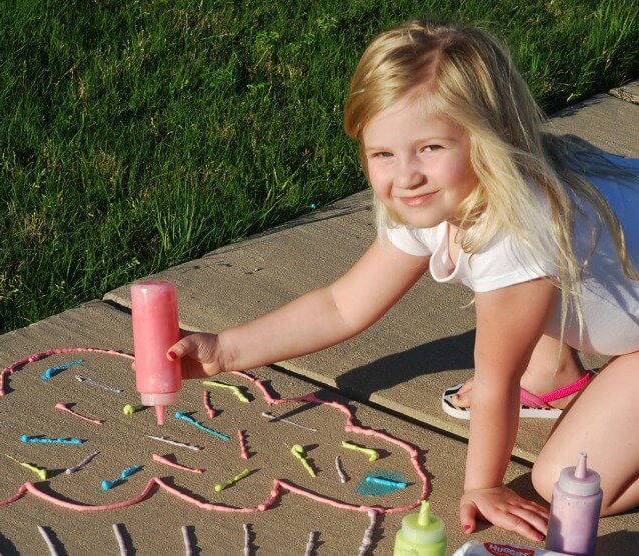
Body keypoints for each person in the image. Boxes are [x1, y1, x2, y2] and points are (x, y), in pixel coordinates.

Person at [165, 19, 639, 542]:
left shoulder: (517, 231)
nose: (405, 175)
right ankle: (552, 373)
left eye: (430, 148)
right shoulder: (437, 198)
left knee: (567, 482)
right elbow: (342, 305)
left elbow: (495, 376)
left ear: (491, 136)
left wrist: (482, 485)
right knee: (528, 305)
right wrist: (224, 351)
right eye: (383, 154)